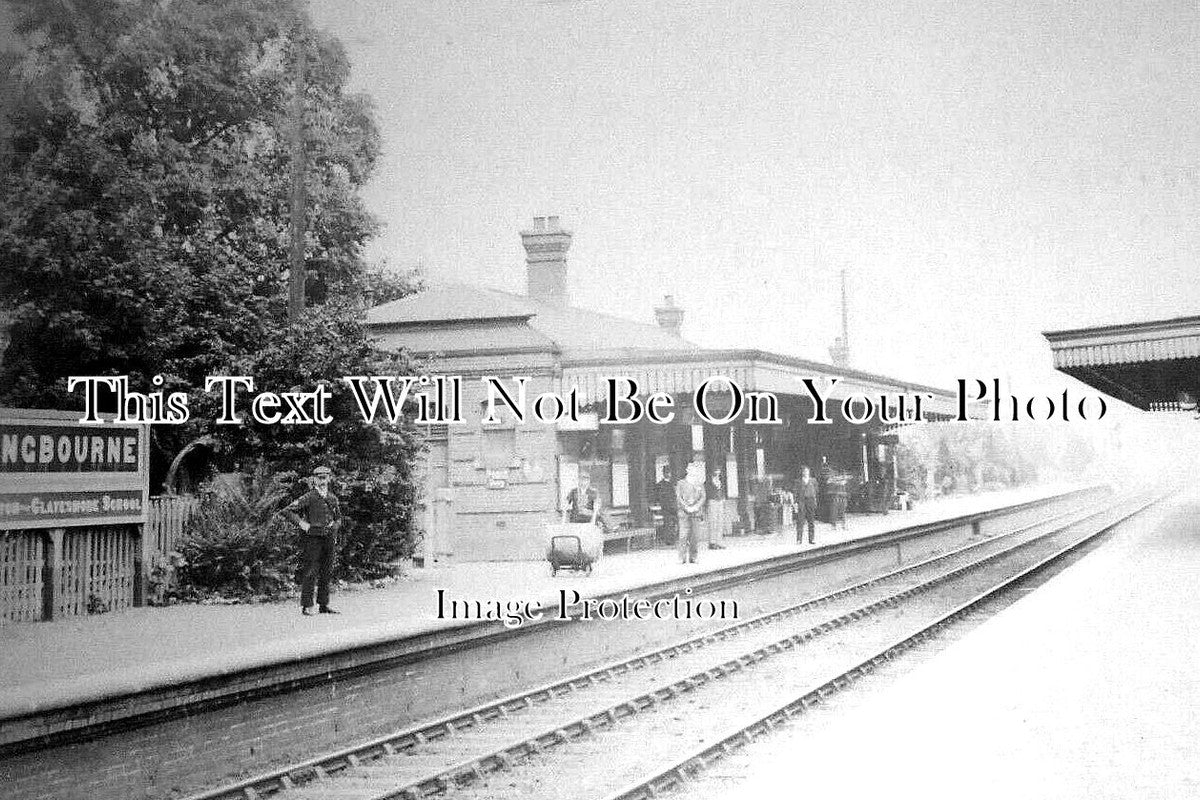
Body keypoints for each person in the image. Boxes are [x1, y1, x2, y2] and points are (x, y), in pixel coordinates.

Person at [284, 465, 343, 616]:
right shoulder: (309, 497)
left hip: (329, 538)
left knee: (327, 571)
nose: (322, 481)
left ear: (329, 479)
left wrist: (334, 527)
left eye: (325, 478)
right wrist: (303, 525)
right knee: (311, 571)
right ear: (314, 480)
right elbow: (288, 511)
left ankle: (324, 604)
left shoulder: (332, 498)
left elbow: (338, 518)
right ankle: (307, 605)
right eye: (319, 478)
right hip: (313, 538)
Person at [675, 462, 707, 564]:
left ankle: (694, 557)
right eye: (691, 469)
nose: (693, 471)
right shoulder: (681, 483)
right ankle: (681, 557)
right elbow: (678, 497)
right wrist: (686, 507)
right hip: (684, 513)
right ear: (687, 470)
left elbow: (703, 497)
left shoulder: (699, 483)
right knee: (683, 535)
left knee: (694, 536)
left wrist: (696, 506)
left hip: (696, 513)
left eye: (695, 470)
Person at [653, 465, 678, 542]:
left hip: (673, 507)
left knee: (675, 521)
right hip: (665, 508)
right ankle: (668, 539)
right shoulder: (660, 485)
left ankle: (674, 537)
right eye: (666, 472)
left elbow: (675, 496)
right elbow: (658, 497)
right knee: (668, 521)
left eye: (669, 472)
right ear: (663, 473)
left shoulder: (672, 484)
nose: (668, 474)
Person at [795, 465, 818, 545]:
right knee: (800, 521)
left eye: (807, 471)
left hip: (810, 501)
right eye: (804, 471)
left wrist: (814, 501)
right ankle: (799, 539)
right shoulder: (798, 481)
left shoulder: (813, 481)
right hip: (802, 502)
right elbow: (796, 492)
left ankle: (811, 539)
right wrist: (796, 503)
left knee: (811, 521)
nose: (806, 473)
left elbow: (816, 491)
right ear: (802, 473)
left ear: (809, 472)